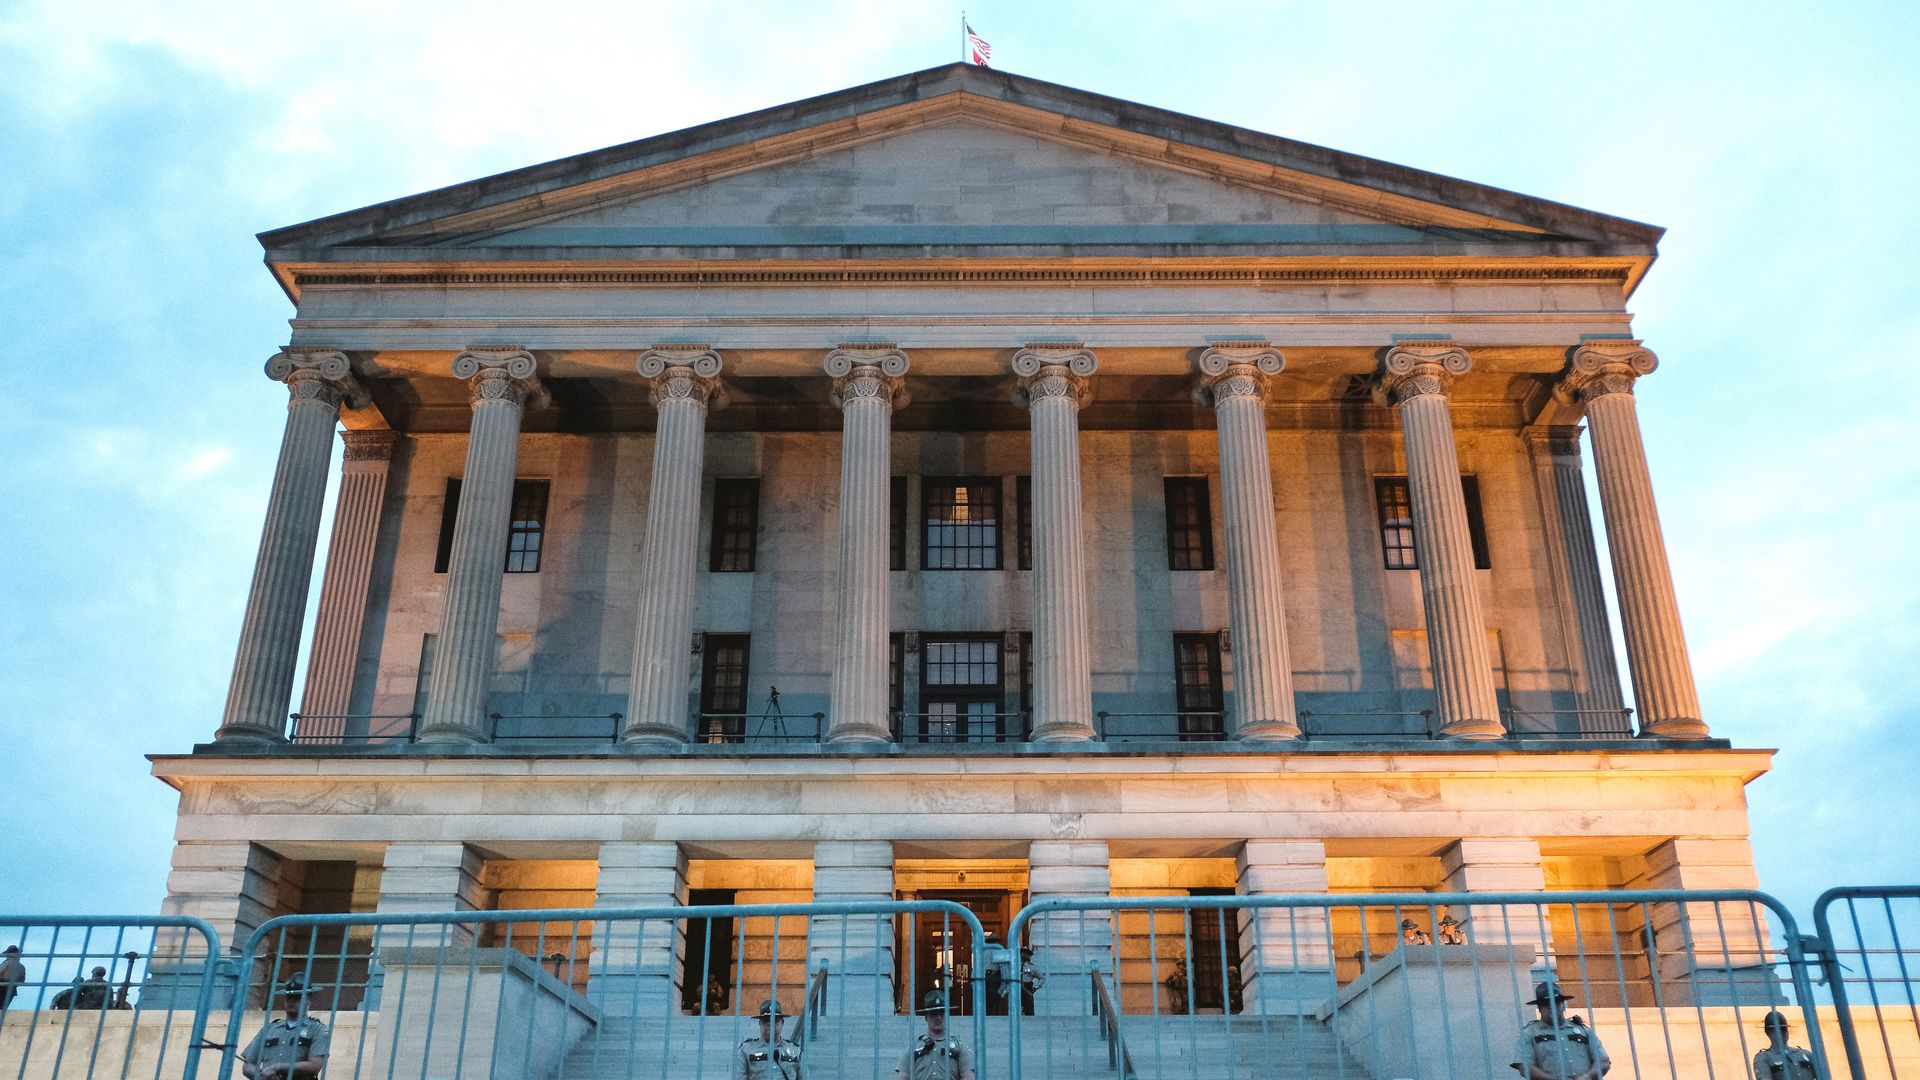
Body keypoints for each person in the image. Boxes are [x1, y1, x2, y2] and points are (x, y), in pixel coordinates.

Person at [1511, 981, 1609, 1080]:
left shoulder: (1583, 1030)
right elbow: (1525, 1067)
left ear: (1563, 1005)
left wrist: (1587, 1077)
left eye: (1556, 1002)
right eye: (1546, 1004)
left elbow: (1604, 1062)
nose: (1552, 1007)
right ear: (1539, 1008)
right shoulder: (1529, 1033)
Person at [240, 974, 330, 1080]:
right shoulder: (269, 1029)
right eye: (289, 997)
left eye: (297, 997)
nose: (291, 1001)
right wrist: (262, 1075)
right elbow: (247, 1065)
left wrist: (278, 1068)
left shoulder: (317, 1029)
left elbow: (315, 1065)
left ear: (308, 999)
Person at [896, 990, 974, 1080]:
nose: (938, 1018)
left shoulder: (959, 1047)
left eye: (942, 1013)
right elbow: (902, 1076)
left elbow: (968, 1077)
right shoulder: (913, 1048)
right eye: (933, 1014)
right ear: (926, 1017)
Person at [733, 998, 803, 1080]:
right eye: (766, 1020)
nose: (770, 1024)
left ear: (782, 1023)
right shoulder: (746, 1049)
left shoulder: (795, 1050)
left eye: (775, 1020)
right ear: (760, 1024)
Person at [1751, 1010, 1818, 1080]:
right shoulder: (1764, 1058)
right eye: (1778, 1030)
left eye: (1784, 1029)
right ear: (1768, 1033)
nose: (1782, 1033)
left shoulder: (1805, 1054)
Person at [1016, 947, 1045, 1016]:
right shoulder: (1015, 966)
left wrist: (1035, 987)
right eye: (1022, 953)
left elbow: (1042, 979)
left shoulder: (1032, 967)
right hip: (1016, 988)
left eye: (1026, 953)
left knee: (1028, 1007)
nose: (1024, 955)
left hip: (1027, 987)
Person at [0, 946, 26, 1011]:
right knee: (2, 1007)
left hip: (2, 985)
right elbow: (22, 980)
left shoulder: (7, 962)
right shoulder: (21, 967)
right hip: (12, 988)